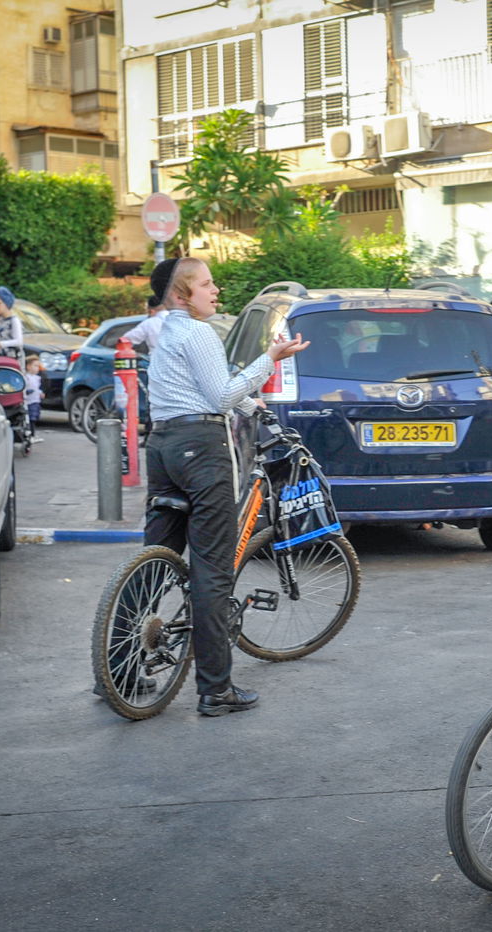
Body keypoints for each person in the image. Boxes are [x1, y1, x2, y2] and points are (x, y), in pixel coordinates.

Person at [142, 257, 308, 716]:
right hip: (201, 449)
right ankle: (216, 689)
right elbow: (219, 396)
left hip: (163, 446)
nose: (216, 290)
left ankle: (117, 667)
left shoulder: (167, 331)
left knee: (153, 562)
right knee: (212, 569)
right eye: (207, 284)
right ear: (182, 295)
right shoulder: (199, 333)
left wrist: (253, 406)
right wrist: (270, 359)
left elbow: (197, 389)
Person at [0, 286, 25, 367]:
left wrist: (0, 344)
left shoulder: (14, 320)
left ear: (6, 304)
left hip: (11, 363)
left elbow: (19, 341)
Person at [23, 354, 45, 442]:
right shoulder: (26, 377)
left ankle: (32, 434)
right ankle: (31, 435)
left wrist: (40, 393)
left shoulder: (37, 378)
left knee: (35, 417)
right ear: (28, 366)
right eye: (35, 366)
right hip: (29, 401)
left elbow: (36, 388)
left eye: (38, 366)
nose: (37, 368)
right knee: (31, 418)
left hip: (36, 401)